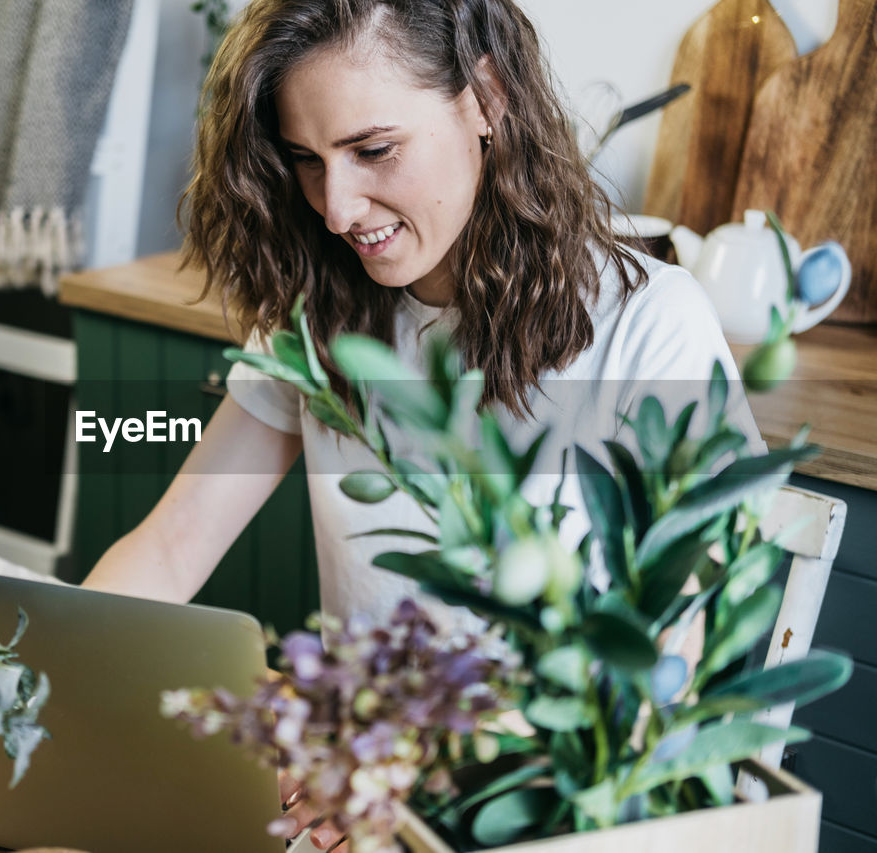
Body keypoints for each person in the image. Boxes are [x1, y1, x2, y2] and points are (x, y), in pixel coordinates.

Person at [83, 0, 759, 847]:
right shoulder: (319, 311)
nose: (336, 208)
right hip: (354, 810)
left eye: (373, 150)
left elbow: (667, 672)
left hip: (552, 818)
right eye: (305, 160)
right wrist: (60, 678)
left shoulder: (650, 325)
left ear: (486, 98)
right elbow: (170, 547)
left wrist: (403, 773)